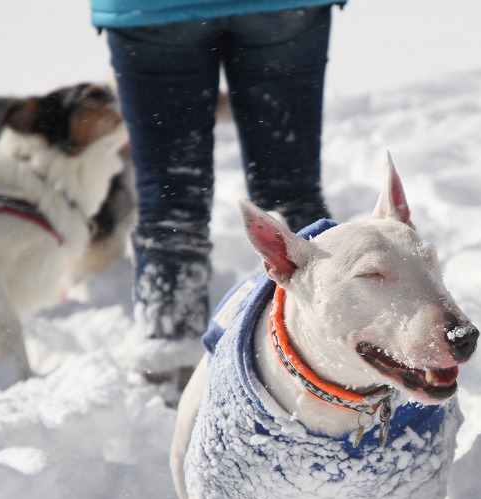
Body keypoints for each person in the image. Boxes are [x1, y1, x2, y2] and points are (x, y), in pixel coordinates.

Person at [90, 0, 343, 383]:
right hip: (284, 9)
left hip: (151, 12)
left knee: (170, 205)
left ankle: (169, 369)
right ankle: (328, 367)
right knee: (291, 197)